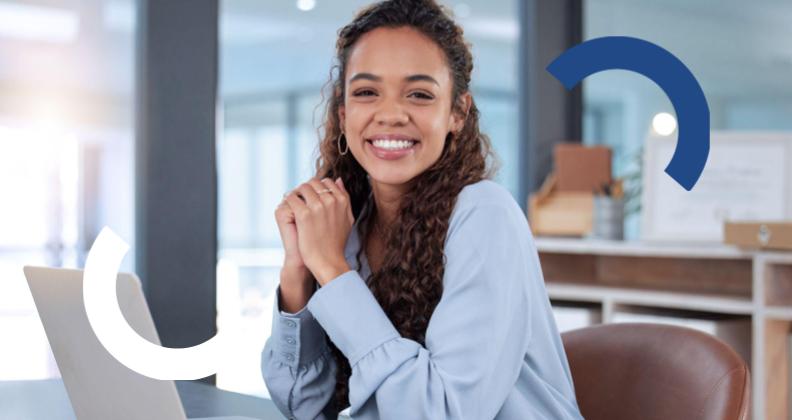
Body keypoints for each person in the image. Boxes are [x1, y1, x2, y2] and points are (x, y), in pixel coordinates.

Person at [262, 0, 583, 418]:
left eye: (419, 94)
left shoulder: (486, 216)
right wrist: (298, 272)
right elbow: (301, 405)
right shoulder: (350, 223)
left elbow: (443, 413)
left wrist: (334, 271)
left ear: (457, 113)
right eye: (366, 92)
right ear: (343, 115)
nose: (391, 114)